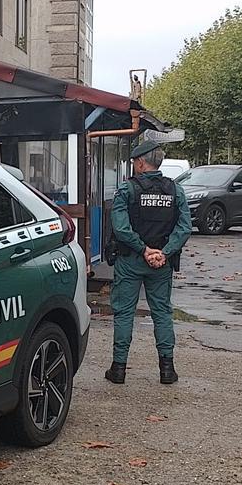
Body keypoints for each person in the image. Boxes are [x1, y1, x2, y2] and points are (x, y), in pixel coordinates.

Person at [105, 139, 192, 386]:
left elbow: (120, 228)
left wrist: (143, 249)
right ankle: (167, 370)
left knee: (124, 313)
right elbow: (184, 227)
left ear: (141, 163)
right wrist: (164, 252)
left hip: (131, 260)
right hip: (161, 264)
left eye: (134, 162)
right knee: (162, 312)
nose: (133, 166)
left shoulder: (127, 189)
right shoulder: (176, 190)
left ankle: (119, 369)